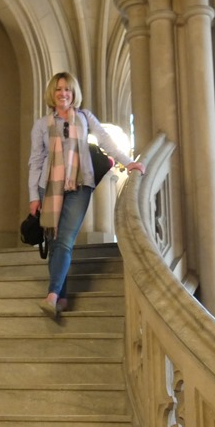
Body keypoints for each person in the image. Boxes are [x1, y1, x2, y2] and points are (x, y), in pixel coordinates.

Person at [27, 71, 145, 318]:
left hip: (79, 185)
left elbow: (107, 143)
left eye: (67, 89)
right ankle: (62, 297)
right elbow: (36, 161)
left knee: (65, 238)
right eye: (59, 89)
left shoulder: (84, 118)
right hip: (47, 187)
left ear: (74, 94)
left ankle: (51, 295)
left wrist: (129, 162)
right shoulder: (41, 125)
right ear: (53, 93)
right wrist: (33, 196)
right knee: (54, 239)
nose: (63, 94)